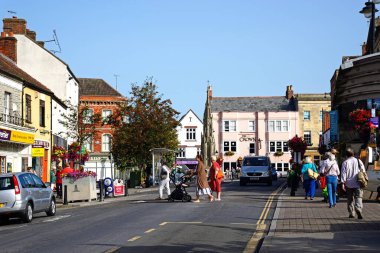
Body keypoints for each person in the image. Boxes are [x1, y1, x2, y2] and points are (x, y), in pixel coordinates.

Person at [341, 148, 365, 219]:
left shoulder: (345, 162)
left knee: (350, 199)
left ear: (346, 155)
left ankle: (351, 212)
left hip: (349, 184)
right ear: (353, 154)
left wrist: (343, 183)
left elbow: (343, 173)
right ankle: (358, 208)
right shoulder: (358, 161)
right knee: (359, 197)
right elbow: (363, 170)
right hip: (358, 182)